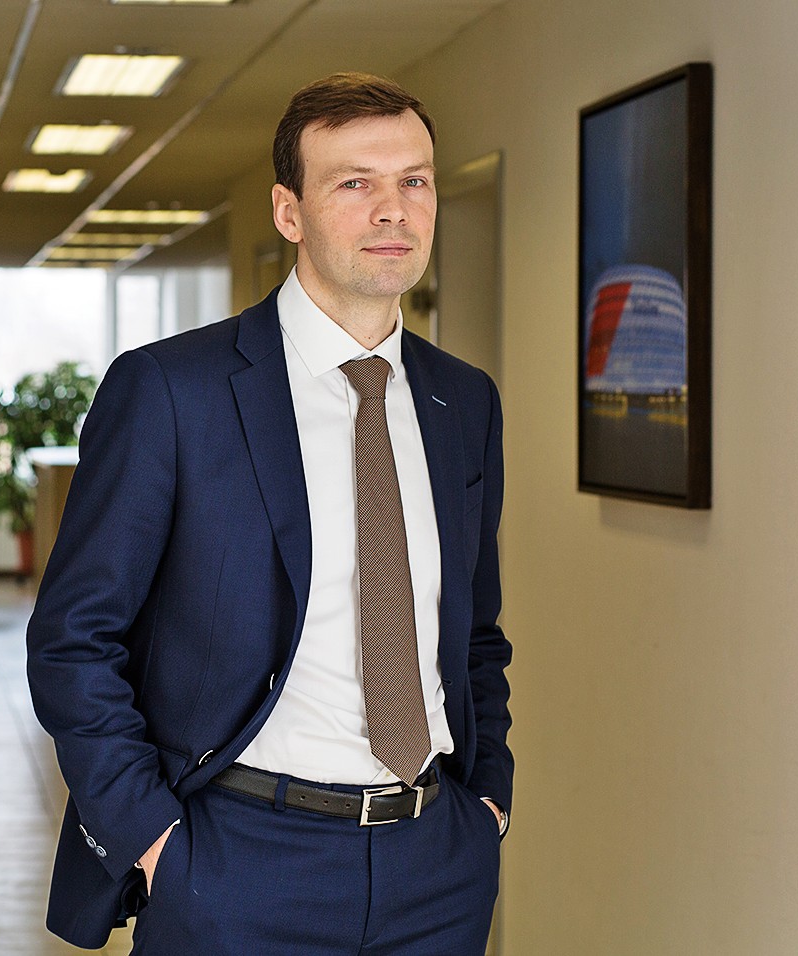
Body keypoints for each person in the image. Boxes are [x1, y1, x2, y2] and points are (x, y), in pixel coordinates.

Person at [26, 71, 512, 955]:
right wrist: (155, 842)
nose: (393, 209)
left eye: (414, 180)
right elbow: (73, 639)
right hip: (237, 864)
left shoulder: (464, 401)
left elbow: (475, 629)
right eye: (354, 183)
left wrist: (489, 804)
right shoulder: (174, 391)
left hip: (437, 866)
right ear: (290, 212)